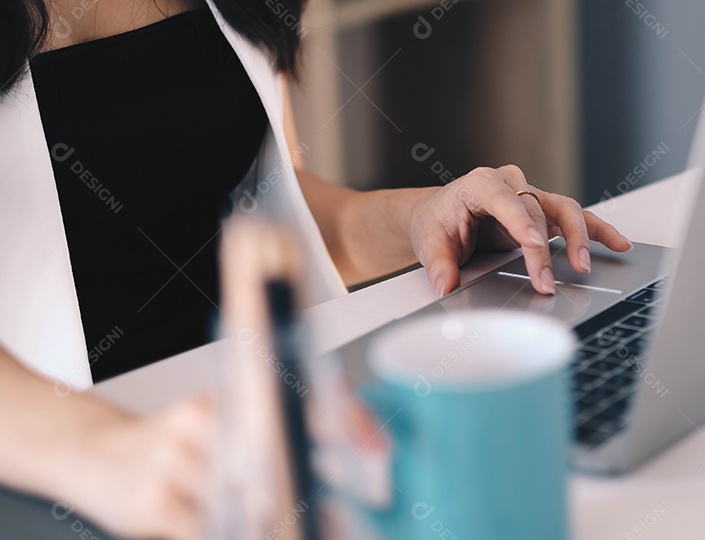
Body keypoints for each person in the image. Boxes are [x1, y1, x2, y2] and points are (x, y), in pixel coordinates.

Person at [0, 1, 632, 538]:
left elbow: (261, 205)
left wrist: (428, 217)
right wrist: (101, 452)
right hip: (64, 479)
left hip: (261, 458)